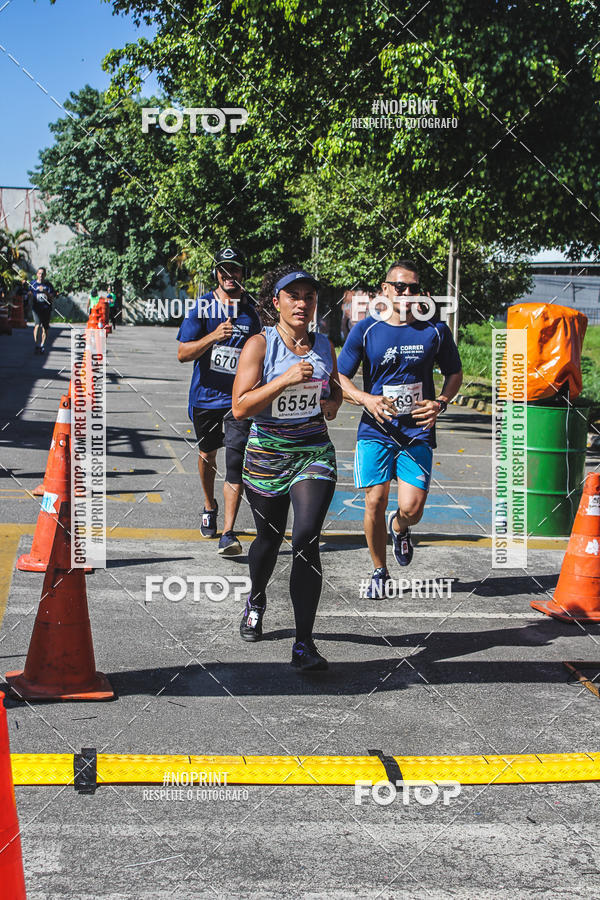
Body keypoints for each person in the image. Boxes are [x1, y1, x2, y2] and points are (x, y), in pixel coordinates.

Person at [232, 265, 342, 671]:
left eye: (309, 297)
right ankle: (256, 597)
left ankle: (303, 645)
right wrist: (286, 379)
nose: (302, 303)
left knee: (307, 536)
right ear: (275, 302)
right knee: (268, 540)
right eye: (293, 296)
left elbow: (331, 394)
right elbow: (240, 406)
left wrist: (332, 403)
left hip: (312, 451)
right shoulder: (260, 346)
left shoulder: (325, 346)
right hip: (266, 454)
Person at [337, 259, 463, 598]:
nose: (407, 293)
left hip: (417, 431)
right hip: (376, 430)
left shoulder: (434, 330)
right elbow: (340, 377)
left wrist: (441, 402)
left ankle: (400, 527)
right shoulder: (365, 330)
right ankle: (379, 570)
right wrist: (366, 399)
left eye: (414, 288)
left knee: (413, 509)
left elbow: (454, 372)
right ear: (385, 290)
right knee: (374, 501)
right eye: (400, 287)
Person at [177, 247, 261, 555]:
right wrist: (213, 336)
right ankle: (209, 504)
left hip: (239, 400)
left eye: (235, 270)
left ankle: (228, 532)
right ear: (217, 274)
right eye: (224, 270)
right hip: (206, 399)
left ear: (242, 274)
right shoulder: (201, 308)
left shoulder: (251, 311)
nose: (230, 275)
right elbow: (183, 353)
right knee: (207, 455)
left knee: (235, 463)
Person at [28, 267, 56, 354]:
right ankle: (36, 344)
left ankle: (42, 345)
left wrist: (45, 292)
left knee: (45, 328)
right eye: (39, 273)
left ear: (45, 275)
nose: (41, 275)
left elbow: (52, 297)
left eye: (43, 274)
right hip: (36, 308)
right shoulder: (33, 284)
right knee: (37, 325)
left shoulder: (48, 285)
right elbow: (29, 293)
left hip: (46, 308)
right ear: (37, 274)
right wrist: (30, 295)